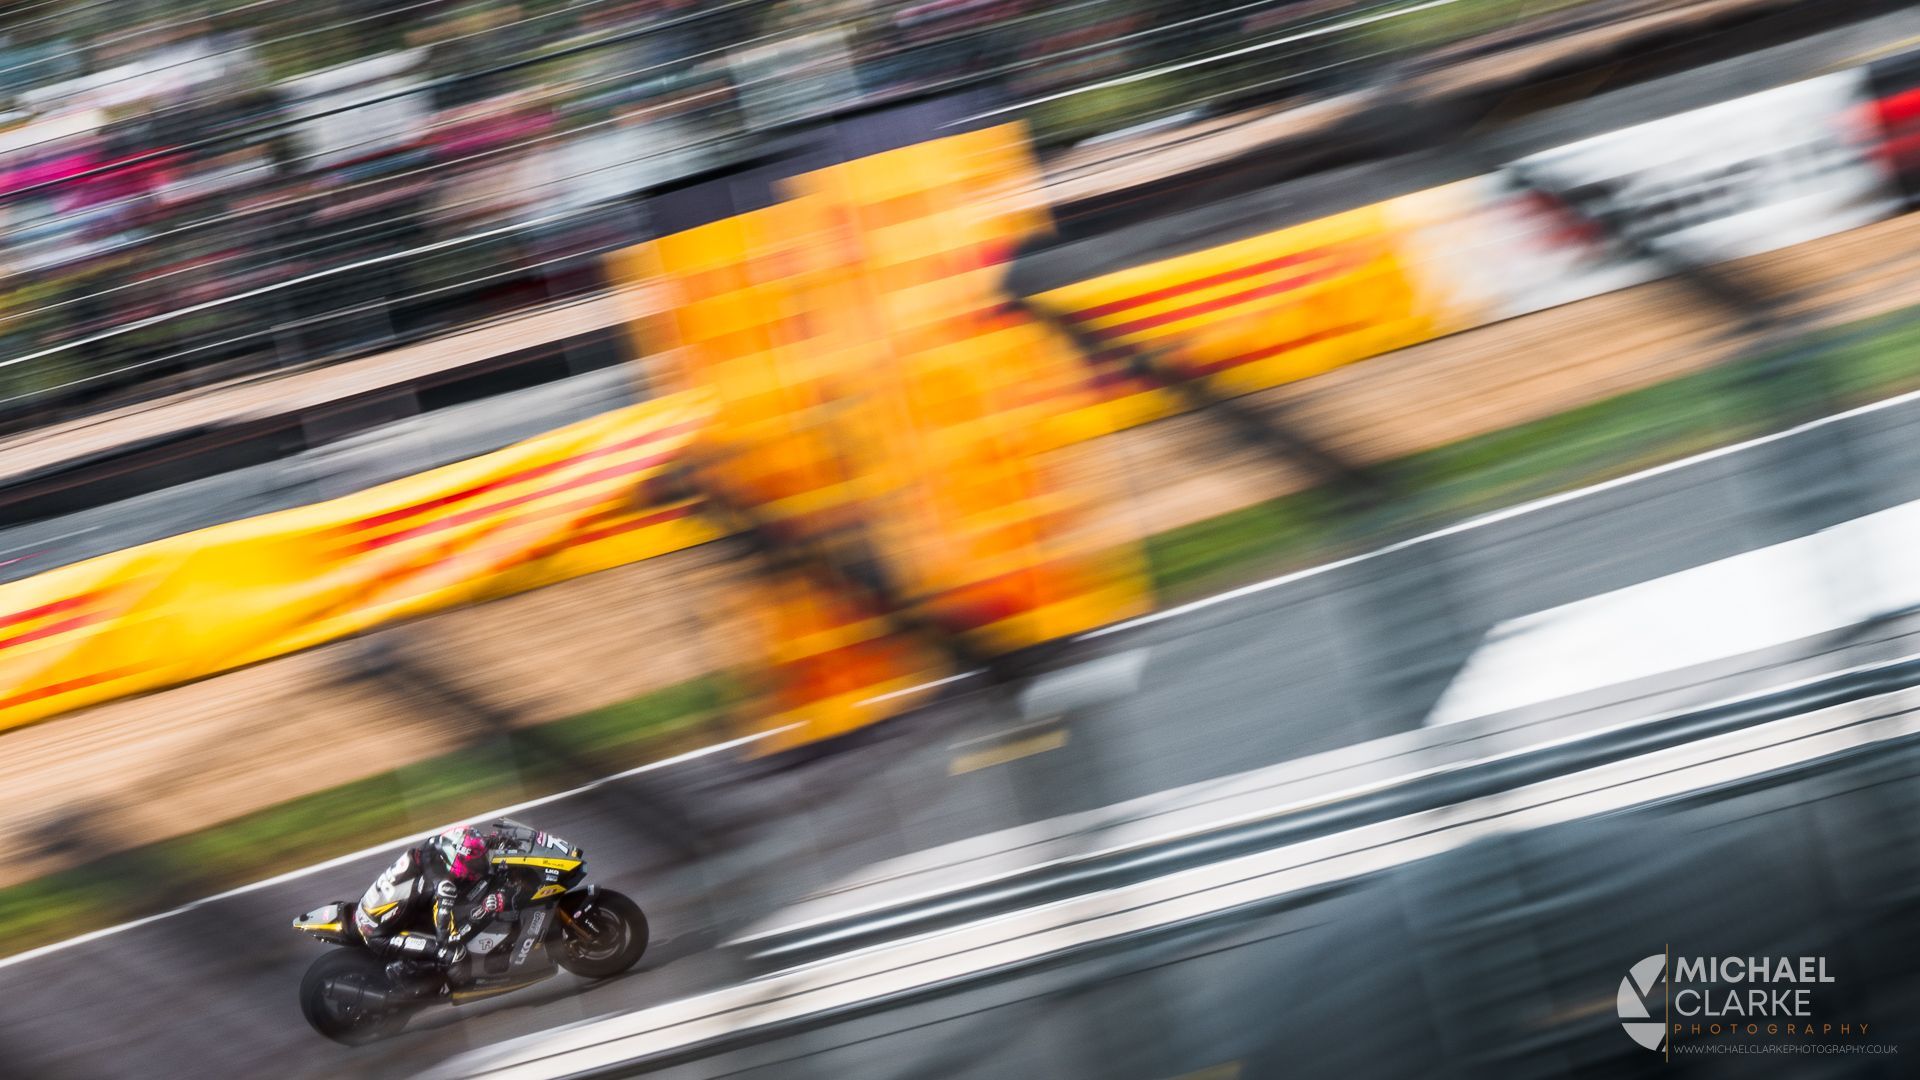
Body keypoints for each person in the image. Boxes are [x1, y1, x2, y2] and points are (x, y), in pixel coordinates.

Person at [352, 819, 538, 996]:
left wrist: (493, 841)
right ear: (456, 862)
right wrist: (484, 909)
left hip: (391, 912)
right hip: (380, 933)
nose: (480, 864)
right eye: (474, 862)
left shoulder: (435, 847)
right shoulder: (443, 887)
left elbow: (466, 847)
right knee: (454, 955)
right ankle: (411, 975)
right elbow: (448, 937)